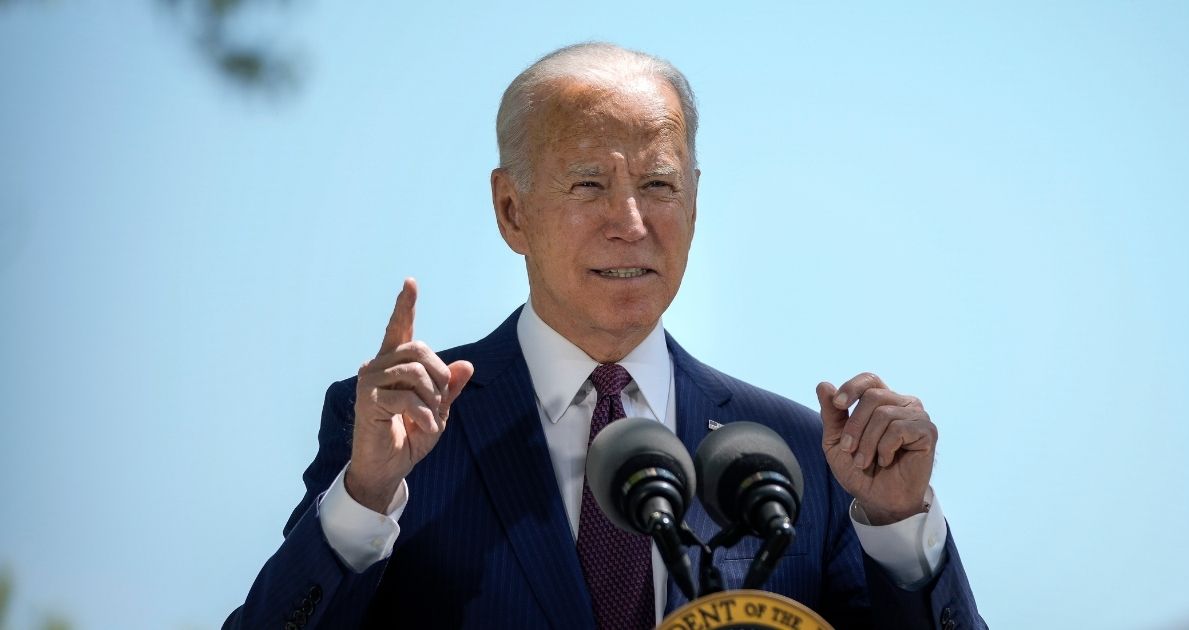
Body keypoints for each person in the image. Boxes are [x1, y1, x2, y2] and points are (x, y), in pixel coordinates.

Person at [225, 42, 984, 630]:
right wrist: (364, 499)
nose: (631, 223)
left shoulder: (802, 460)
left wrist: (899, 527)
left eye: (659, 185)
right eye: (589, 184)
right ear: (511, 210)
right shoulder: (400, 437)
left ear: (694, 201)